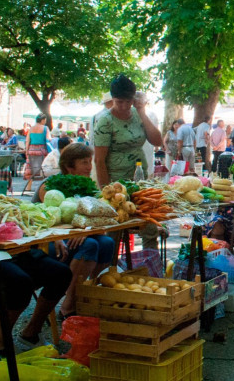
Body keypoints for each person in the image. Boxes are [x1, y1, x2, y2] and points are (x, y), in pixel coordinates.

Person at [37, 143, 115, 318]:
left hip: (78, 236)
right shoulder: (49, 187)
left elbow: (96, 219)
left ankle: (83, 294)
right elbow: (47, 220)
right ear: (69, 166)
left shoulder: (88, 186)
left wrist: (85, 230)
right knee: (89, 246)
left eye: (90, 162)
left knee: (107, 243)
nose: (89, 167)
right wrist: (77, 233)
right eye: (84, 163)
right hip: (49, 239)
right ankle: (69, 302)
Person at [93, 75, 164, 249]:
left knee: (149, 224)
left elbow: (157, 141)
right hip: (115, 183)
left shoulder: (138, 114)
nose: (124, 106)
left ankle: (150, 268)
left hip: (140, 180)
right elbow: (99, 160)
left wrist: (141, 112)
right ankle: (109, 269)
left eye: (128, 101)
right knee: (115, 230)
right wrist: (106, 194)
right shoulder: (105, 121)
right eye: (119, 102)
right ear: (112, 99)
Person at [24, 114, 51, 188]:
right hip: (42, 150)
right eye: (45, 120)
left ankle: (28, 187)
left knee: (31, 168)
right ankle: (44, 186)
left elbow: (27, 141)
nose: (45, 122)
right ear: (42, 120)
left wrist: (27, 151)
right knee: (44, 167)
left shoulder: (31, 128)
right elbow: (48, 139)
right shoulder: (45, 128)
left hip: (32, 149)